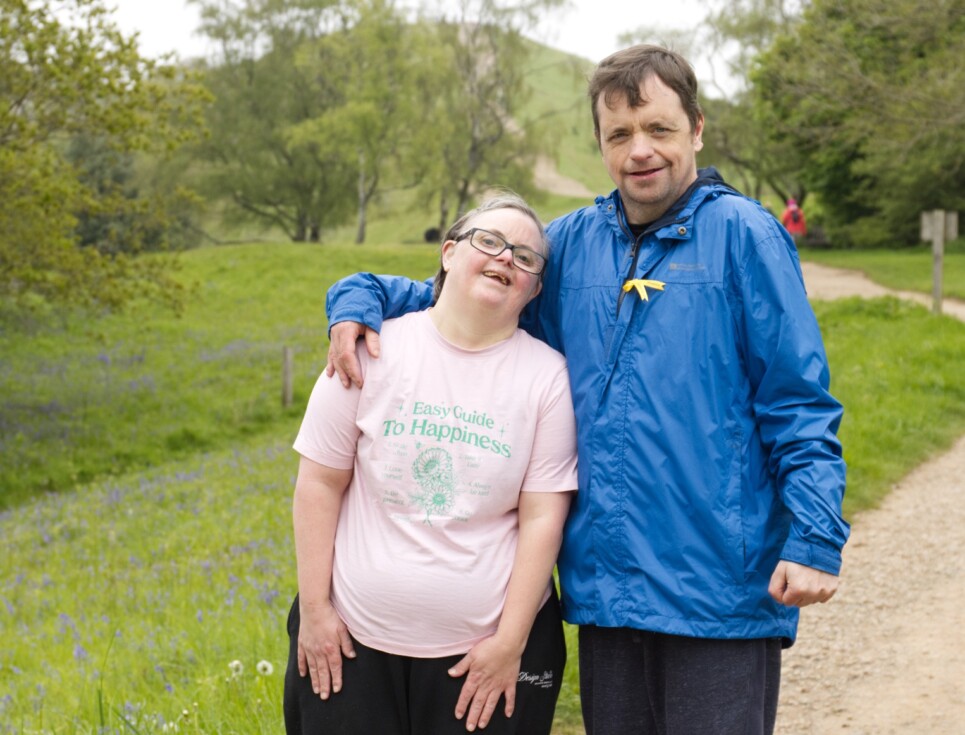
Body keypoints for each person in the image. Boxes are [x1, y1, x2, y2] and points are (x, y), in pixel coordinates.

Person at [323, 45, 850, 735]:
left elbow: (796, 401)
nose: (640, 151)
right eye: (619, 134)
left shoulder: (744, 235)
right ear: (600, 143)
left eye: (658, 129)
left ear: (695, 128)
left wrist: (813, 535)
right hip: (608, 595)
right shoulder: (571, 244)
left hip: (719, 589)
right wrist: (354, 298)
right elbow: (454, 297)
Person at [284, 193, 578, 735]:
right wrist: (317, 613)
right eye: (488, 241)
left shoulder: (548, 378)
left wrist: (509, 643)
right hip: (351, 645)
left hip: (482, 658)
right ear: (448, 254)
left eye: (525, 256)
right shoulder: (368, 349)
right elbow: (319, 484)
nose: (504, 258)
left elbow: (543, 518)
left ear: (535, 288)